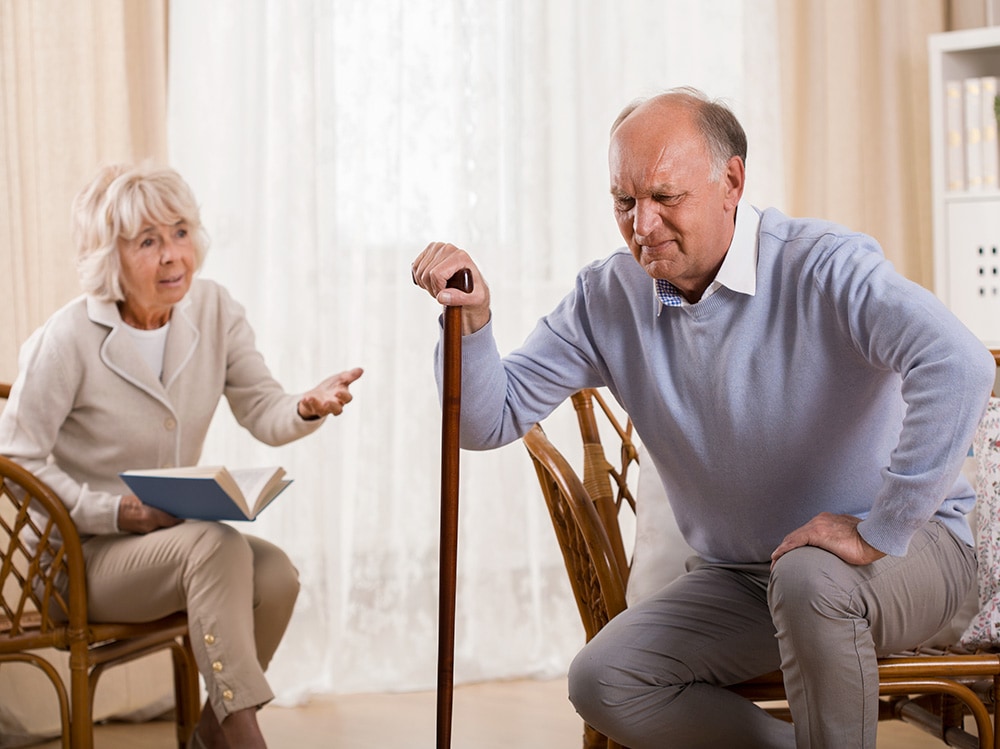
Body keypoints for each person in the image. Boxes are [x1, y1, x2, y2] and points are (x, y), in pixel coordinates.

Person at [411, 87, 997, 748]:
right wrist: (471, 323)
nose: (642, 225)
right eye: (624, 202)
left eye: (665, 197)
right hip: (747, 577)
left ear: (731, 182)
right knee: (604, 678)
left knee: (811, 578)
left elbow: (959, 363)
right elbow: (487, 420)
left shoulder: (823, 264)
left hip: (911, 557)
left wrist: (880, 527)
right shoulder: (609, 297)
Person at [0, 163, 363, 749]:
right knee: (214, 543)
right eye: (148, 241)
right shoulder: (66, 338)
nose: (173, 255)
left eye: (180, 231)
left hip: (165, 546)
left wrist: (306, 405)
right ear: (107, 257)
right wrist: (117, 512)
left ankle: (212, 734)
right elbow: (15, 464)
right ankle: (243, 737)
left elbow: (262, 408)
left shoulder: (214, 310)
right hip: (77, 558)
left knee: (276, 575)